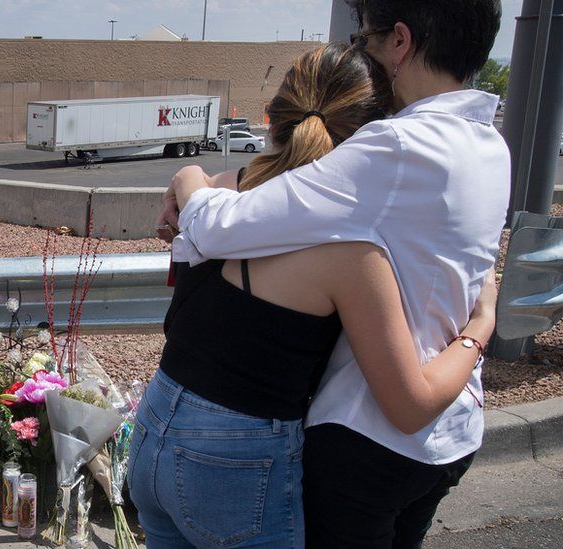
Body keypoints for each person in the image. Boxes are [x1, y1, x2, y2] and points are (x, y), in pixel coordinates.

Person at [155, 1, 507, 547]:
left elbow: (220, 228)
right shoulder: (491, 148)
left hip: (369, 438)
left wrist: (189, 176)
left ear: (400, 42)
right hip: (453, 432)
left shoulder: (392, 149)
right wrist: (479, 323)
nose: (363, 50)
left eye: (367, 38)